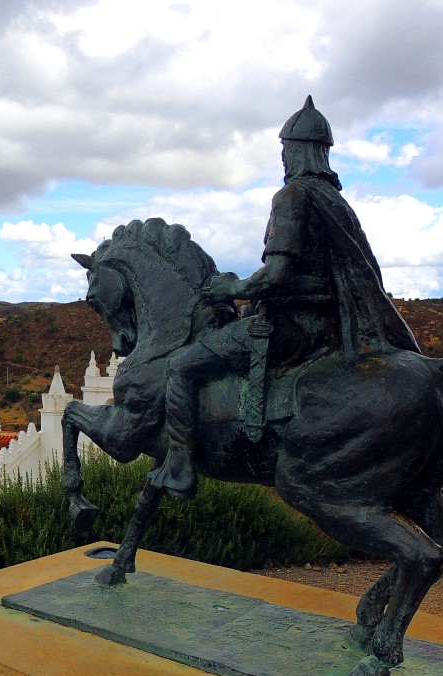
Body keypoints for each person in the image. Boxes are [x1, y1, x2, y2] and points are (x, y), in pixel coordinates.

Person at [148, 95, 419, 500]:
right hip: (326, 329)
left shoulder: (292, 197)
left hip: (289, 330)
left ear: (298, 150)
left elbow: (276, 275)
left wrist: (233, 288)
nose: (284, 159)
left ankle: (182, 467)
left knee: (184, 367)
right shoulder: (336, 202)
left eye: (286, 150)